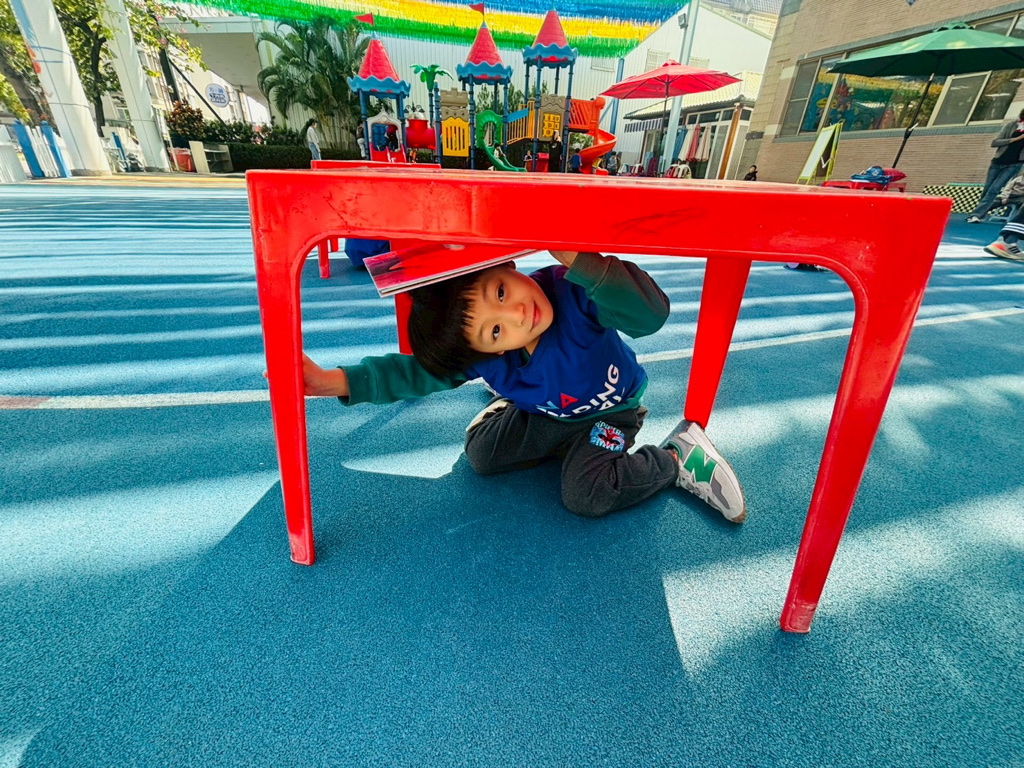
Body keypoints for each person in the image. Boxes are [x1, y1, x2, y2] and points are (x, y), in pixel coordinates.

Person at [299, 251, 747, 523]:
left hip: (611, 414)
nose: (515, 314)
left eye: (499, 292)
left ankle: (675, 458)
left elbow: (651, 316)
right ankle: (513, 409)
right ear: (489, 350)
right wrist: (332, 381)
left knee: (586, 494)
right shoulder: (487, 357)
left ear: (504, 265)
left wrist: (582, 262)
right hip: (547, 412)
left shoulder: (574, 295)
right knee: (481, 455)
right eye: (495, 331)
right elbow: (416, 372)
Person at [967, 108, 1024, 223]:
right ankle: (979, 213)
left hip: (1014, 164)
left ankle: (976, 215)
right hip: (998, 161)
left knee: (994, 189)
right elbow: (995, 142)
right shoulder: (1012, 125)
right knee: (987, 189)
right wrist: (1016, 139)